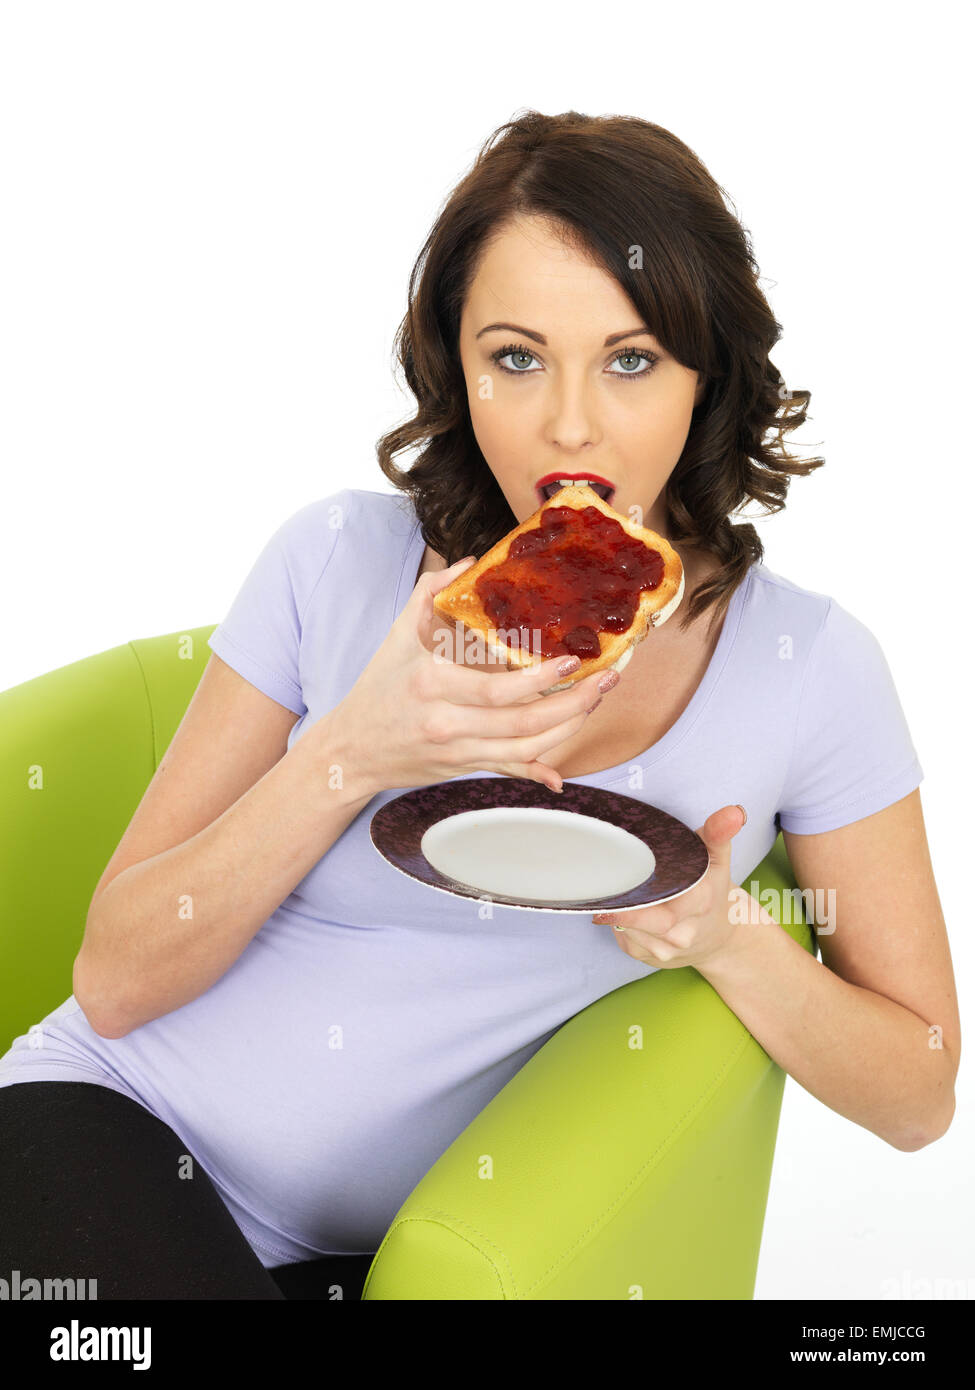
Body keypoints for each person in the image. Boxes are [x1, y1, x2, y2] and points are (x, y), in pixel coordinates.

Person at [0, 109, 959, 1301]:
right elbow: (115, 976)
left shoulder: (808, 666)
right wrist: (350, 751)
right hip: (119, 1121)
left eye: (631, 359)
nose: (570, 423)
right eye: (516, 357)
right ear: (454, 366)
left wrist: (727, 937)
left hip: (402, 1255)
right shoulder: (333, 560)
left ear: (709, 371)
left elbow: (921, 1092)